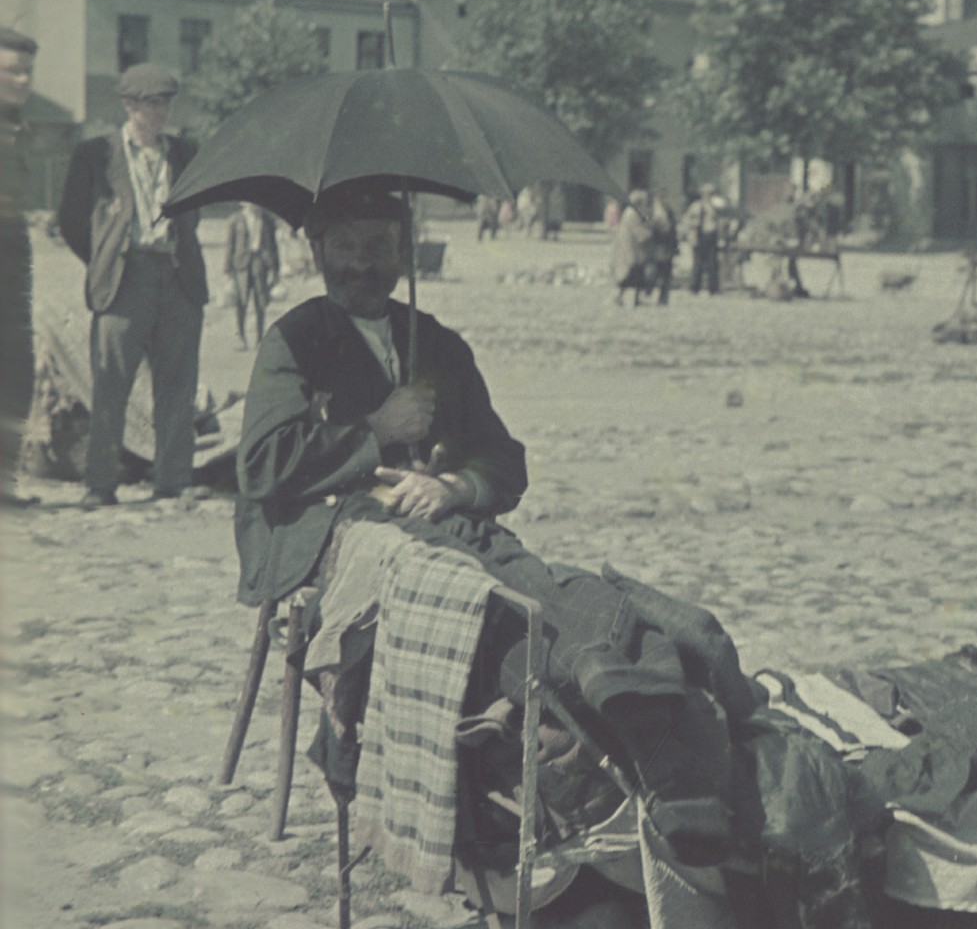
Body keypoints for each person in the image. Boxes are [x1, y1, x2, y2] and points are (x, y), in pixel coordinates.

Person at [233, 185, 739, 870]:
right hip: (334, 537)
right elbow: (263, 464)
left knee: (539, 581)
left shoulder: (435, 343)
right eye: (347, 247)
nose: (363, 264)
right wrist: (375, 430)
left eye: (380, 246)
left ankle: (645, 692)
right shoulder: (294, 340)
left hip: (447, 524)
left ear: (404, 250)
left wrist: (454, 485)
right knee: (478, 602)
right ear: (317, 251)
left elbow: (504, 460)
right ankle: (599, 702)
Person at [56, 63, 209, 507]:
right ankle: (100, 484)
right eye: (150, 104)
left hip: (178, 277)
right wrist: (106, 261)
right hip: (124, 281)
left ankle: (174, 480)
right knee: (111, 385)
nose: (160, 112)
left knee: (178, 385)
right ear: (128, 105)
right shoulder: (95, 153)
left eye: (165, 103)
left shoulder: (185, 152)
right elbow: (70, 220)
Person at [0, 28, 37, 509]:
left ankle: (3, 485)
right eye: (12, 70)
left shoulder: (17, 128)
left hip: (12, 260)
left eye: (29, 71)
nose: (25, 79)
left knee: (15, 375)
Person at [224, 200, 279, 348]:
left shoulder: (267, 219)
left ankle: (260, 339)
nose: (252, 204)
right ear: (242, 203)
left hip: (260, 263)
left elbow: (274, 246)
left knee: (260, 302)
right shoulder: (236, 220)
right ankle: (241, 338)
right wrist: (227, 269)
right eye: (248, 201)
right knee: (241, 301)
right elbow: (230, 245)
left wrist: (275, 269)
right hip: (241, 265)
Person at [685, 183, 726, 295]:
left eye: (711, 194)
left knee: (712, 263)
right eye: (707, 193)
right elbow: (687, 220)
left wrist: (721, 237)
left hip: (711, 236)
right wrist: (693, 225)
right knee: (697, 263)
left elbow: (720, 222)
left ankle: (713, 288)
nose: (709, 196)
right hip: (699, 235)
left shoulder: (715, 207)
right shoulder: (695, 206)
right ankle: (694, 287)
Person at [614, 189, 653, 306]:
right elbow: (638, 232)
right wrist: (649, 233)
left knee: (638, 275)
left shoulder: (633, 213)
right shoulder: (632, 214)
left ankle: (636, 298)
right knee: (631, 275)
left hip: (634, 249)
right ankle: (621, 296)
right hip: (631, 249)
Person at [647, 192, 679, 305]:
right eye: (659, 198)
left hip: (668, 246)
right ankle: (647, 292)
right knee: (654, 272)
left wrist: (675, 246)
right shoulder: (651, 213)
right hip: (657, 246)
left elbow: (673, 230)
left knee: (666, 273)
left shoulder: (669, 212)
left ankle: (663, 298)